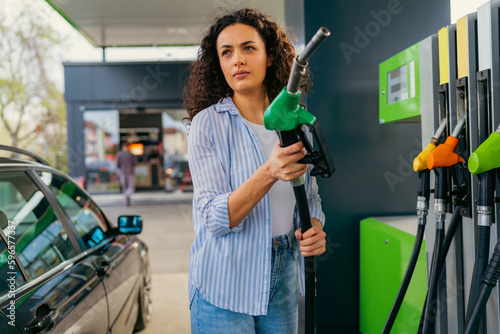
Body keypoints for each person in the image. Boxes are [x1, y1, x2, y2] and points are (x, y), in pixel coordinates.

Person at [183, 8, 327, 333]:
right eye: (226, 52)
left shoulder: (293, 120)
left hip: (283, 277)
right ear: (218, 64)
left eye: (248, 48)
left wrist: (314, 225)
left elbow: (311, 197)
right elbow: (215, 219)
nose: (238, 60)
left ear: (270, 56)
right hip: (223, 284)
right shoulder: (207, 124)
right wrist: (269, 171)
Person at [115, 142, 137, 206]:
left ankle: (126, 201)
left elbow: (117, 164)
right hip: (130, 172)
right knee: (131, 186)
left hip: (122, 172)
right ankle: (128, 196)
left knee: (125, 187)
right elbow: (135, 163)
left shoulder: (119, 154)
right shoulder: (131, 154)